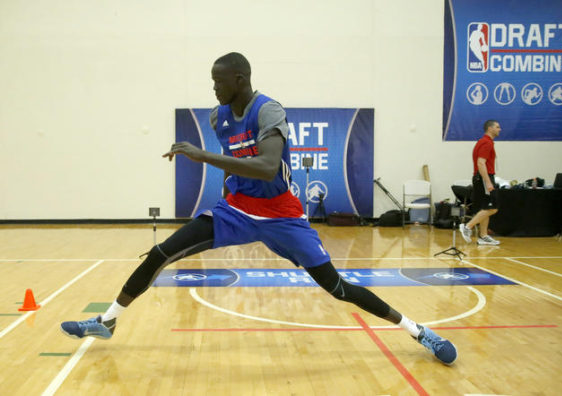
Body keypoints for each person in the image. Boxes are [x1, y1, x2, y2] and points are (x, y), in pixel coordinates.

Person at [60, 52, 457, 365]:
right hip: (236, 210)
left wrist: (201, 157)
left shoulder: (268, 111)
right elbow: (232, 159)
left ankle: (419, 331)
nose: (213, 88)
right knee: (162, 252)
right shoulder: (219, 117)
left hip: (281, 215)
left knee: (338, 288)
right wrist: (224, 197)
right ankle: (106, 320)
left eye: (219, 81)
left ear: (241, 79)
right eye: (212, 81)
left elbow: (267, 168)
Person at [459, 119, 501, 245]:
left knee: (485, 207)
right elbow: (481, 163)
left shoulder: (483, 142)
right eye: (497, 127)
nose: (500, 129)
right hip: (484, 177)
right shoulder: (486, 143)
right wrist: (488, 182)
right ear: (490, 128)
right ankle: (467, 227)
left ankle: (483, 236)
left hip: (481, 177)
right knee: (493, 207)